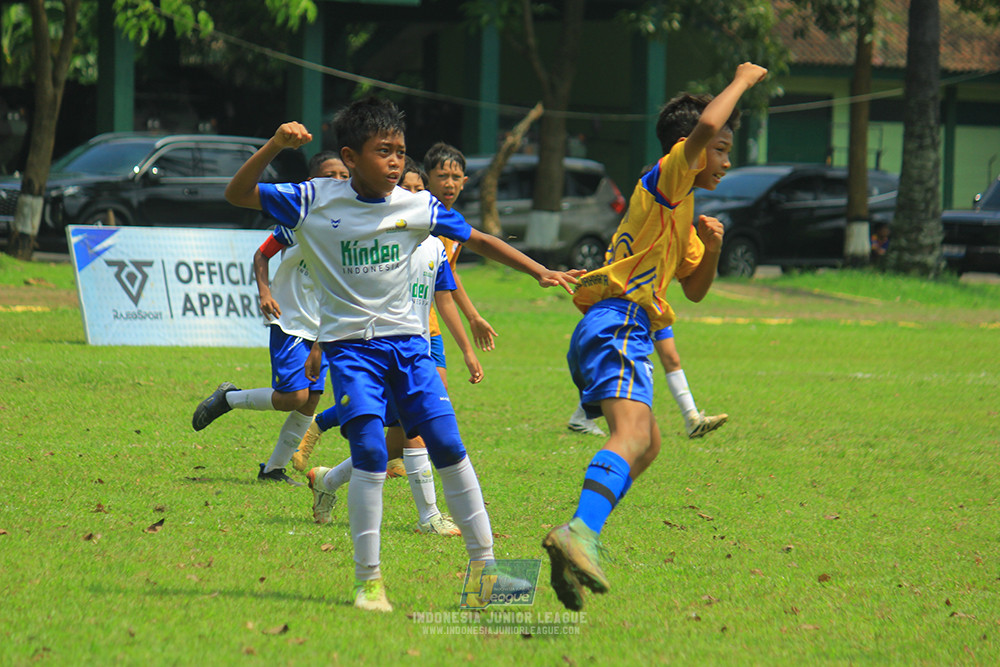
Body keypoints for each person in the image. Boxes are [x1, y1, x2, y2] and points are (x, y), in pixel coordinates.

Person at [223, 96, 582, 612]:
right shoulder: (312, 198)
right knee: (370, 451)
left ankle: (487, 571)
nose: (395, 162)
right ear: (350, 156)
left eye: (400, 151)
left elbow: (478, 239)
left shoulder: (417, 206)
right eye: (383, 151)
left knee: (448, 443)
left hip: (411, 349)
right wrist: (276, 145)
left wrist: (539, 270)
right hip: (352, 352)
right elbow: (237, 193)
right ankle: (368, 581)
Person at [543, 63, 768, 612]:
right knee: (631, 437)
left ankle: (576, 535)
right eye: (721, 148)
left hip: (625, 326)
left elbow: (693, 290)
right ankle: (580, 533)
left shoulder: (684, 206)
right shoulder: (668, 177)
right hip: (616, 320)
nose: (726, 159)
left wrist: (711, 247)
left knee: (649, 445)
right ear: (691, 147)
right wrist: (739, 82)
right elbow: (707, 128)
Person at [302, 157, 484, 538]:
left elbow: (446, 295)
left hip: (426, 341)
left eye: (420, 191)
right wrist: (320, 343)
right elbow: (352, 298)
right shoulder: (380, 235)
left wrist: (467, 344)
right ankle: (429, 515)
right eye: (410, 189)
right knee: (405, 428)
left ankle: (329, 480)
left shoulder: (434, 242)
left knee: (405, 433)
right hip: (381, 344)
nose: (414, 197)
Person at [190, 153, 351, 485]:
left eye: (343, 174)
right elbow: (262, 253)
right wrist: (265, 292)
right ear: (313, 182)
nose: (337, 179)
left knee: (312, 400)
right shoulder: (301, 221)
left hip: (324, 326)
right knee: (293, 397)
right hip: (290, 319)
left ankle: (273, 470)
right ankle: (229, 397)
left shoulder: (352, 225)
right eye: (329, 174)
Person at [423, 142, 499, 358]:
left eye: (455, 178)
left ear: (464, 182)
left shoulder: (454, 224)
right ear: (427, 177)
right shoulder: (419, 219)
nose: (449, 184)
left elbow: (450, 272)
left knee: (441, 387)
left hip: (430, 324)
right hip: (401, 325)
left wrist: (473, 316)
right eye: (442, 176)